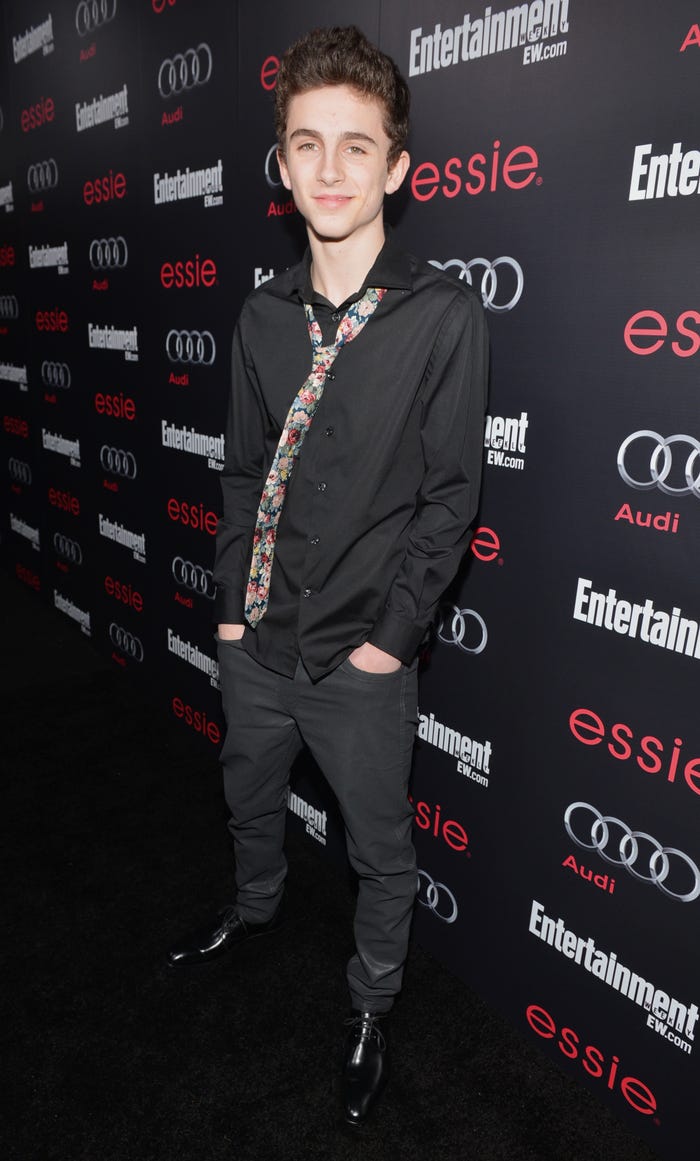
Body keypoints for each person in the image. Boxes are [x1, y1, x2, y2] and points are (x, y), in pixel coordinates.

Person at [167, 24, 488, 1126]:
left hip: (359, 659)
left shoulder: (442, 316)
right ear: (283, 163)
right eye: (308, 144)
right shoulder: (261, 315)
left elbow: (450, 500)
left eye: (358, 146)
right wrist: (228, 619)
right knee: (246, 796)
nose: (332, 168)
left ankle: (370, 1003)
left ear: (397, 167)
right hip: (256, 643)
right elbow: (242, 473)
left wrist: (388, 645)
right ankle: (253, 906)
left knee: (381, 852)